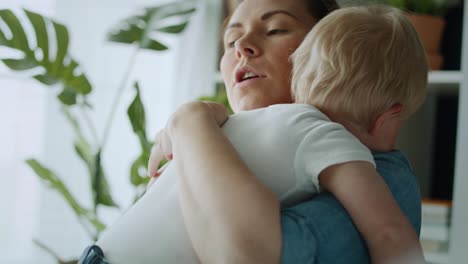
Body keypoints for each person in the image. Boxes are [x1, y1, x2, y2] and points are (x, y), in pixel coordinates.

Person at [78, 1, 425, 264]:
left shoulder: (375, 169)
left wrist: (191, 119)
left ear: (318, 47)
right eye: (230, 41)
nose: (242, 46)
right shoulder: (213, 134)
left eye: (275, 29)